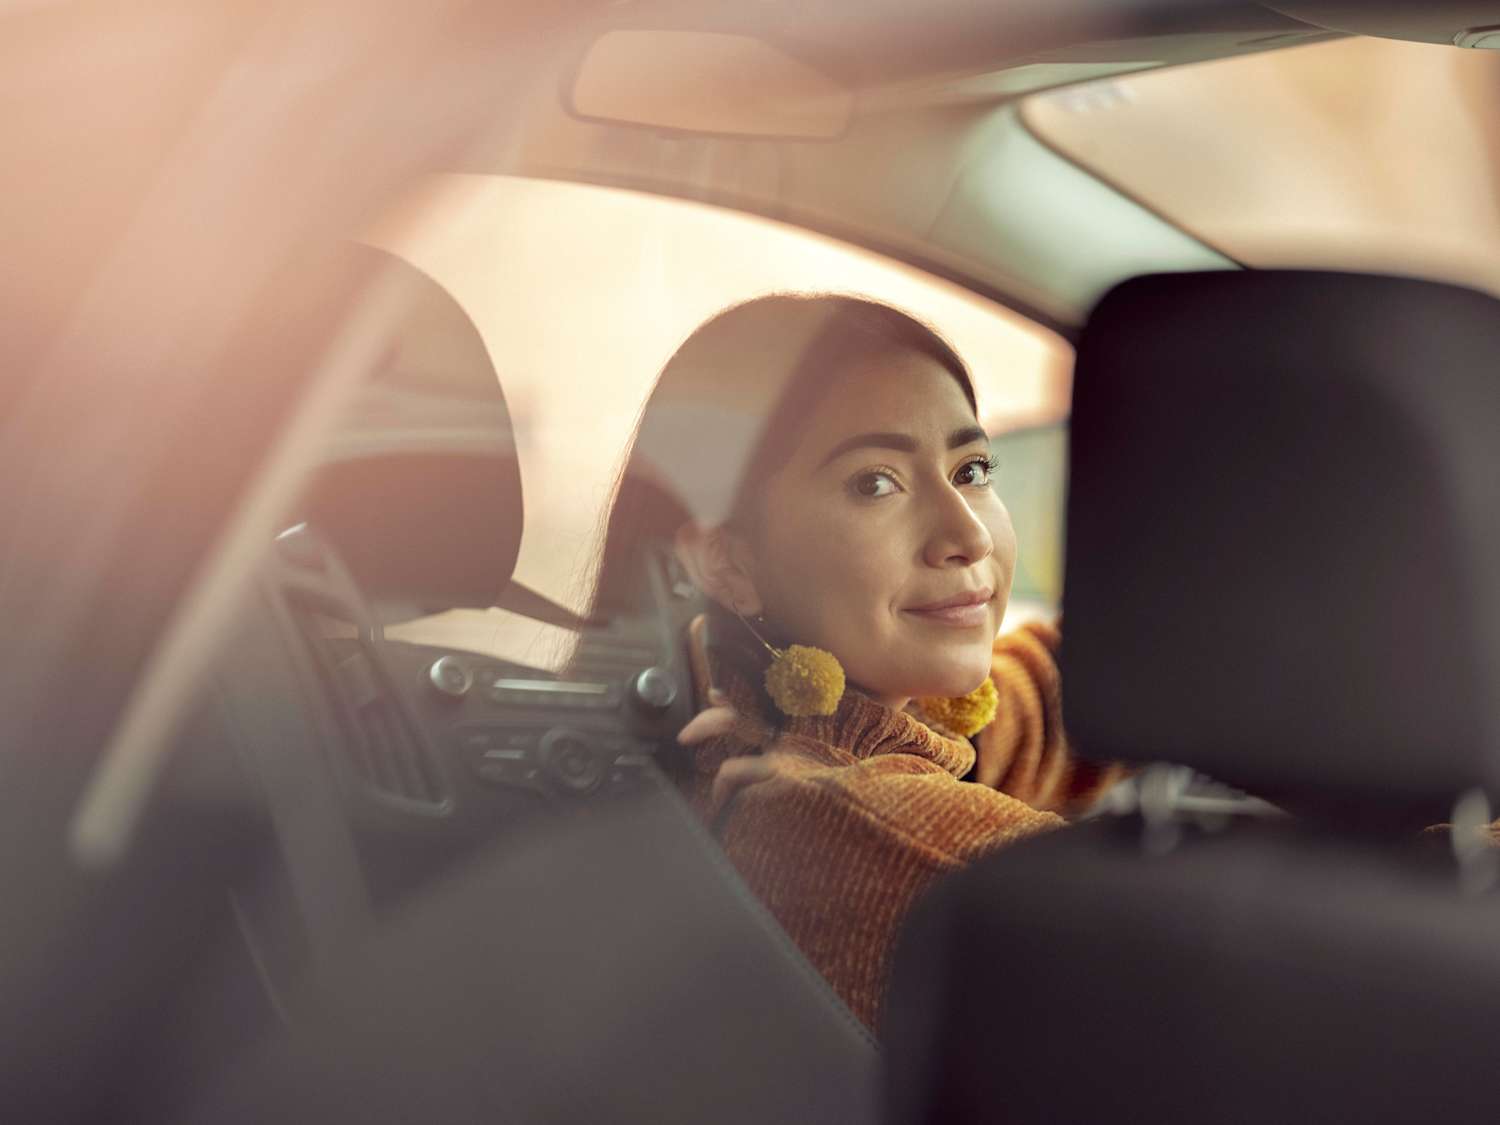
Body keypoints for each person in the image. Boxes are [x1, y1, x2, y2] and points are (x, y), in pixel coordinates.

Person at [590, 294, 1120, 1030]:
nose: (965, 534)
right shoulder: (848, 819)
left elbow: (1023, 709)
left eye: (972, 469)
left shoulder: (744, 718)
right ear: (728, 561)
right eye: (876, 482)